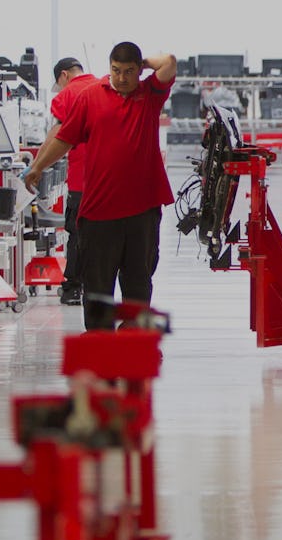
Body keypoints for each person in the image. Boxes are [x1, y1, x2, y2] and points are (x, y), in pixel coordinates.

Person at [24, 42, 176, 329]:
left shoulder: (149, 94)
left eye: (129, 71)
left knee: (138, 286)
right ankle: (99, 350)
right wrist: (38, 167)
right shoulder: (90, 97)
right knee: (97, 290)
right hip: (98, 213)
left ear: (138, 71)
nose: (121, 78)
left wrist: (142, 64)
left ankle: (134, 349)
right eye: (116, 71)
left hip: (141, 213)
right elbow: (64, 138)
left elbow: (169, 61)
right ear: (109, 68)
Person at [49, 57, 97, 306]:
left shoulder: (65, 96)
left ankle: (72, 288)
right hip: (106, 178)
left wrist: (37, 168)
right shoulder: (102, 86)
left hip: (81, 179)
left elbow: (57, 134)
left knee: (77, 233)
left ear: (64, 75)